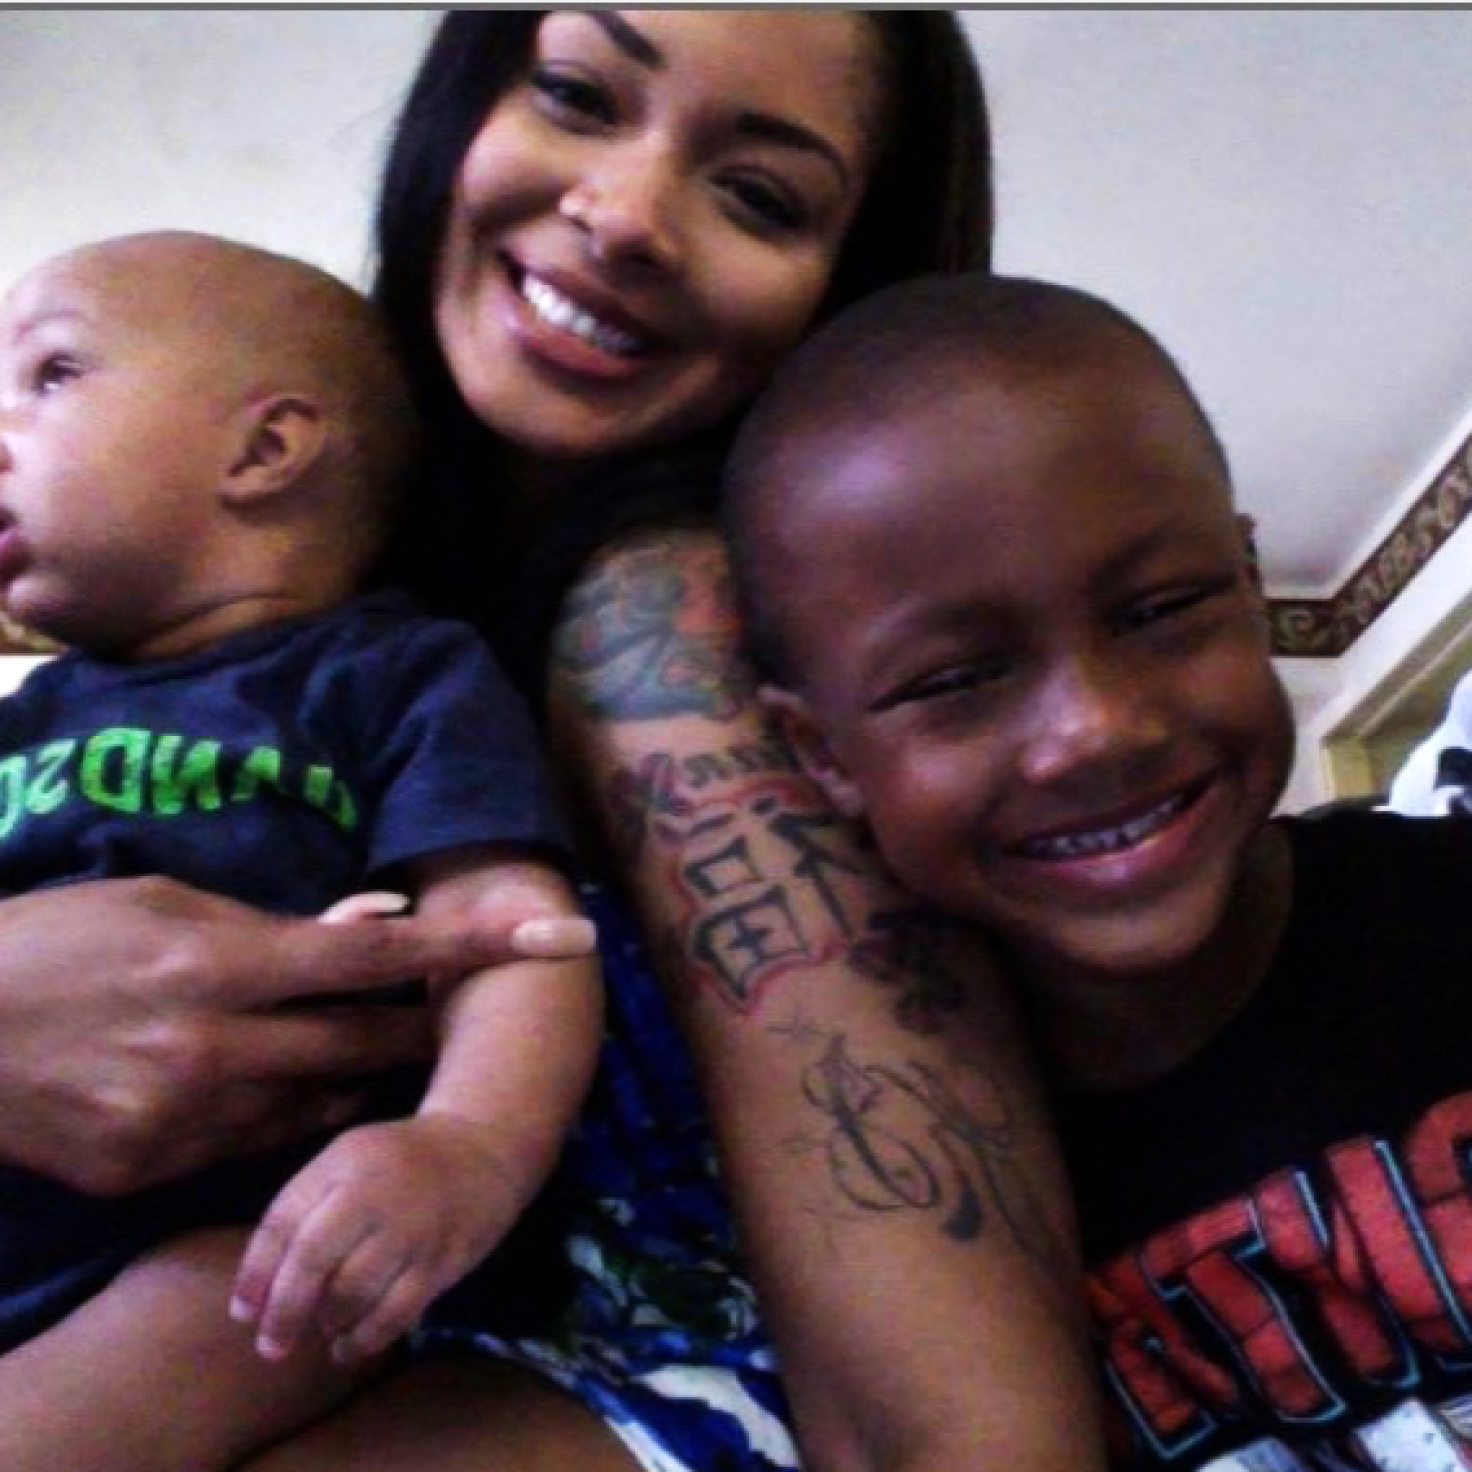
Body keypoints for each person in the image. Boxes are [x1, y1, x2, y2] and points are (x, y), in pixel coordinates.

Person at [232, 12, 1098, 1472]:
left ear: (848, 286)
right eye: (577, 94)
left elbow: (966, 1427)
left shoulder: (663, 618)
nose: (626, 216)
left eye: (759, 195)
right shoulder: (281, 605)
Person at [722, 269, 1472, 1470]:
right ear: (821, 753)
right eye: (955, 679)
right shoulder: (893, 1206)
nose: (1094, 729)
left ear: (1246, 585)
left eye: (1159, 607)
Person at [0, 229, 601, 1472]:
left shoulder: (391, 675)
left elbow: (513, 928)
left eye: (51, 374)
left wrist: (467, 1143)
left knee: (264, 1310)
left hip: (241, 1234)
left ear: (265, 448)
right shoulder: (28, 713)